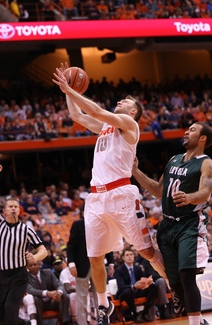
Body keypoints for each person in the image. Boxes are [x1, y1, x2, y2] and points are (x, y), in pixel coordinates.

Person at [53, 63, 167, 325]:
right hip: (95, 197)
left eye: (125, 100)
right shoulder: (105, 128)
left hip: (121, 194)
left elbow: (93, 109)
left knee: (147, 252)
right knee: (94, 257)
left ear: (133, 111)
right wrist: (67, 92)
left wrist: (70, 87)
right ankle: (104, 305)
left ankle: (175, 286)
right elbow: (78, 116)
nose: (119, 100)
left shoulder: (129, 124)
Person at [132, 122, 212, 325]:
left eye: (193, 130)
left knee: (187, 275)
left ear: (203, 138)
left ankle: (195, 323)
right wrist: (136, 172)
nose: (186, 131)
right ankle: (198, 318)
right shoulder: (174, 159)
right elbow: (158, 190)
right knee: (175, 281)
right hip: (167, 225)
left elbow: (205, 191)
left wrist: (190, 198)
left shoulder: (206, 163)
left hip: (188, 224)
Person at [0, 163, 48, 325]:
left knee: (10, 310)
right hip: (0, 275)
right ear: (5, 210)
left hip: (19, 276)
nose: (13, 208)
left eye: (16, 206)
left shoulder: (26, 229)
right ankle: (27, 324)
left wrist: (34, 257)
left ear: (19, 210)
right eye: (10, 206)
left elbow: (44, 250)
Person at [114, 248, 157, 323]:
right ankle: (135, 314)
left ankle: (145, 313)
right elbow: (121, 287)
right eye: (127, 255)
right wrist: (133, 287)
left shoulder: (138, 268)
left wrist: (148, 282)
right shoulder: (119, 270)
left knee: (153, 287)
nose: (129, 257)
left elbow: (143, 279)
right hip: (126, 294)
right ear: (123, 257)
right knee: (127, 291)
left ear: (134, 256)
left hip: (138, 291)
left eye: (131, 255)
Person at [26, 259, 70, 325]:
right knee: (35, 298)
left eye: (35, 265)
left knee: (63, 294)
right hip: (39, 304)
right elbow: (30, 290)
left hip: (53, 301)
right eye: (30, 265)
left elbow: (59, 285)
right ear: (27, 267)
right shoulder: (25, 277)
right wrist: (47, 293)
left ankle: (66, 322)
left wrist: (58, 293)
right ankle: (38, 323)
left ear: (38, 265)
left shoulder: (48, 272)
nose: (33, 267)